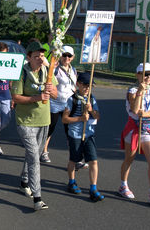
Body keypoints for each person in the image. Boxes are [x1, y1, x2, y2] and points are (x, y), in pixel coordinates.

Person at [11, 41, 57, 211]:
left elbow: (56, 94)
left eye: (42, 55)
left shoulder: (48, 71)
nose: (40, 59)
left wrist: (51, 91)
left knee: (35, 154)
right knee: (34, 157)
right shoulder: (21, 73)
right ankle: (37, 197)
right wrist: (38, 97)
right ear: (28, 57)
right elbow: (16, 97)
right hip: (26, 121)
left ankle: (24, 181)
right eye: (36, 56)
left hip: (44, 120)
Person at [118, 63, 150, 205]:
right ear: (138, 75)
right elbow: (134, 110)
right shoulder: (132, 90)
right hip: (133, 127)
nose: (148, 77)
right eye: (145, 74)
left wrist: (145, 114)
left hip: (147, 127)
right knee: (129, 158)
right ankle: (123, 185)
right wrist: (140, 92)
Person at [62, 72, 104, 202]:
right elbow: (64, 119)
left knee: (93, 161)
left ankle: (93, 188)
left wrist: (91, 110)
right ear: (78, 84)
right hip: (75, 134)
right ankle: (72, 182)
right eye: (85, 85)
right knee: (74, 160)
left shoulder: (91, 98)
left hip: (89, 134)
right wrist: (80, 118)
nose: (87, 88)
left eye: (90, 86)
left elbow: (97, 116)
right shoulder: (72, 99)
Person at [41, 45, 77, 163]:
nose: (66, 58)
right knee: (50, 128)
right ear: (60, 56)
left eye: (69, 56)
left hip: (69, 104)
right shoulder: (55, 68)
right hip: (55, 103)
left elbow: (74, 86)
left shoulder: (73, 70)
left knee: (70, 130)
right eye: (64, 55)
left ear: (72, 57)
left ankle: (74, 156)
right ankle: (44, 151)